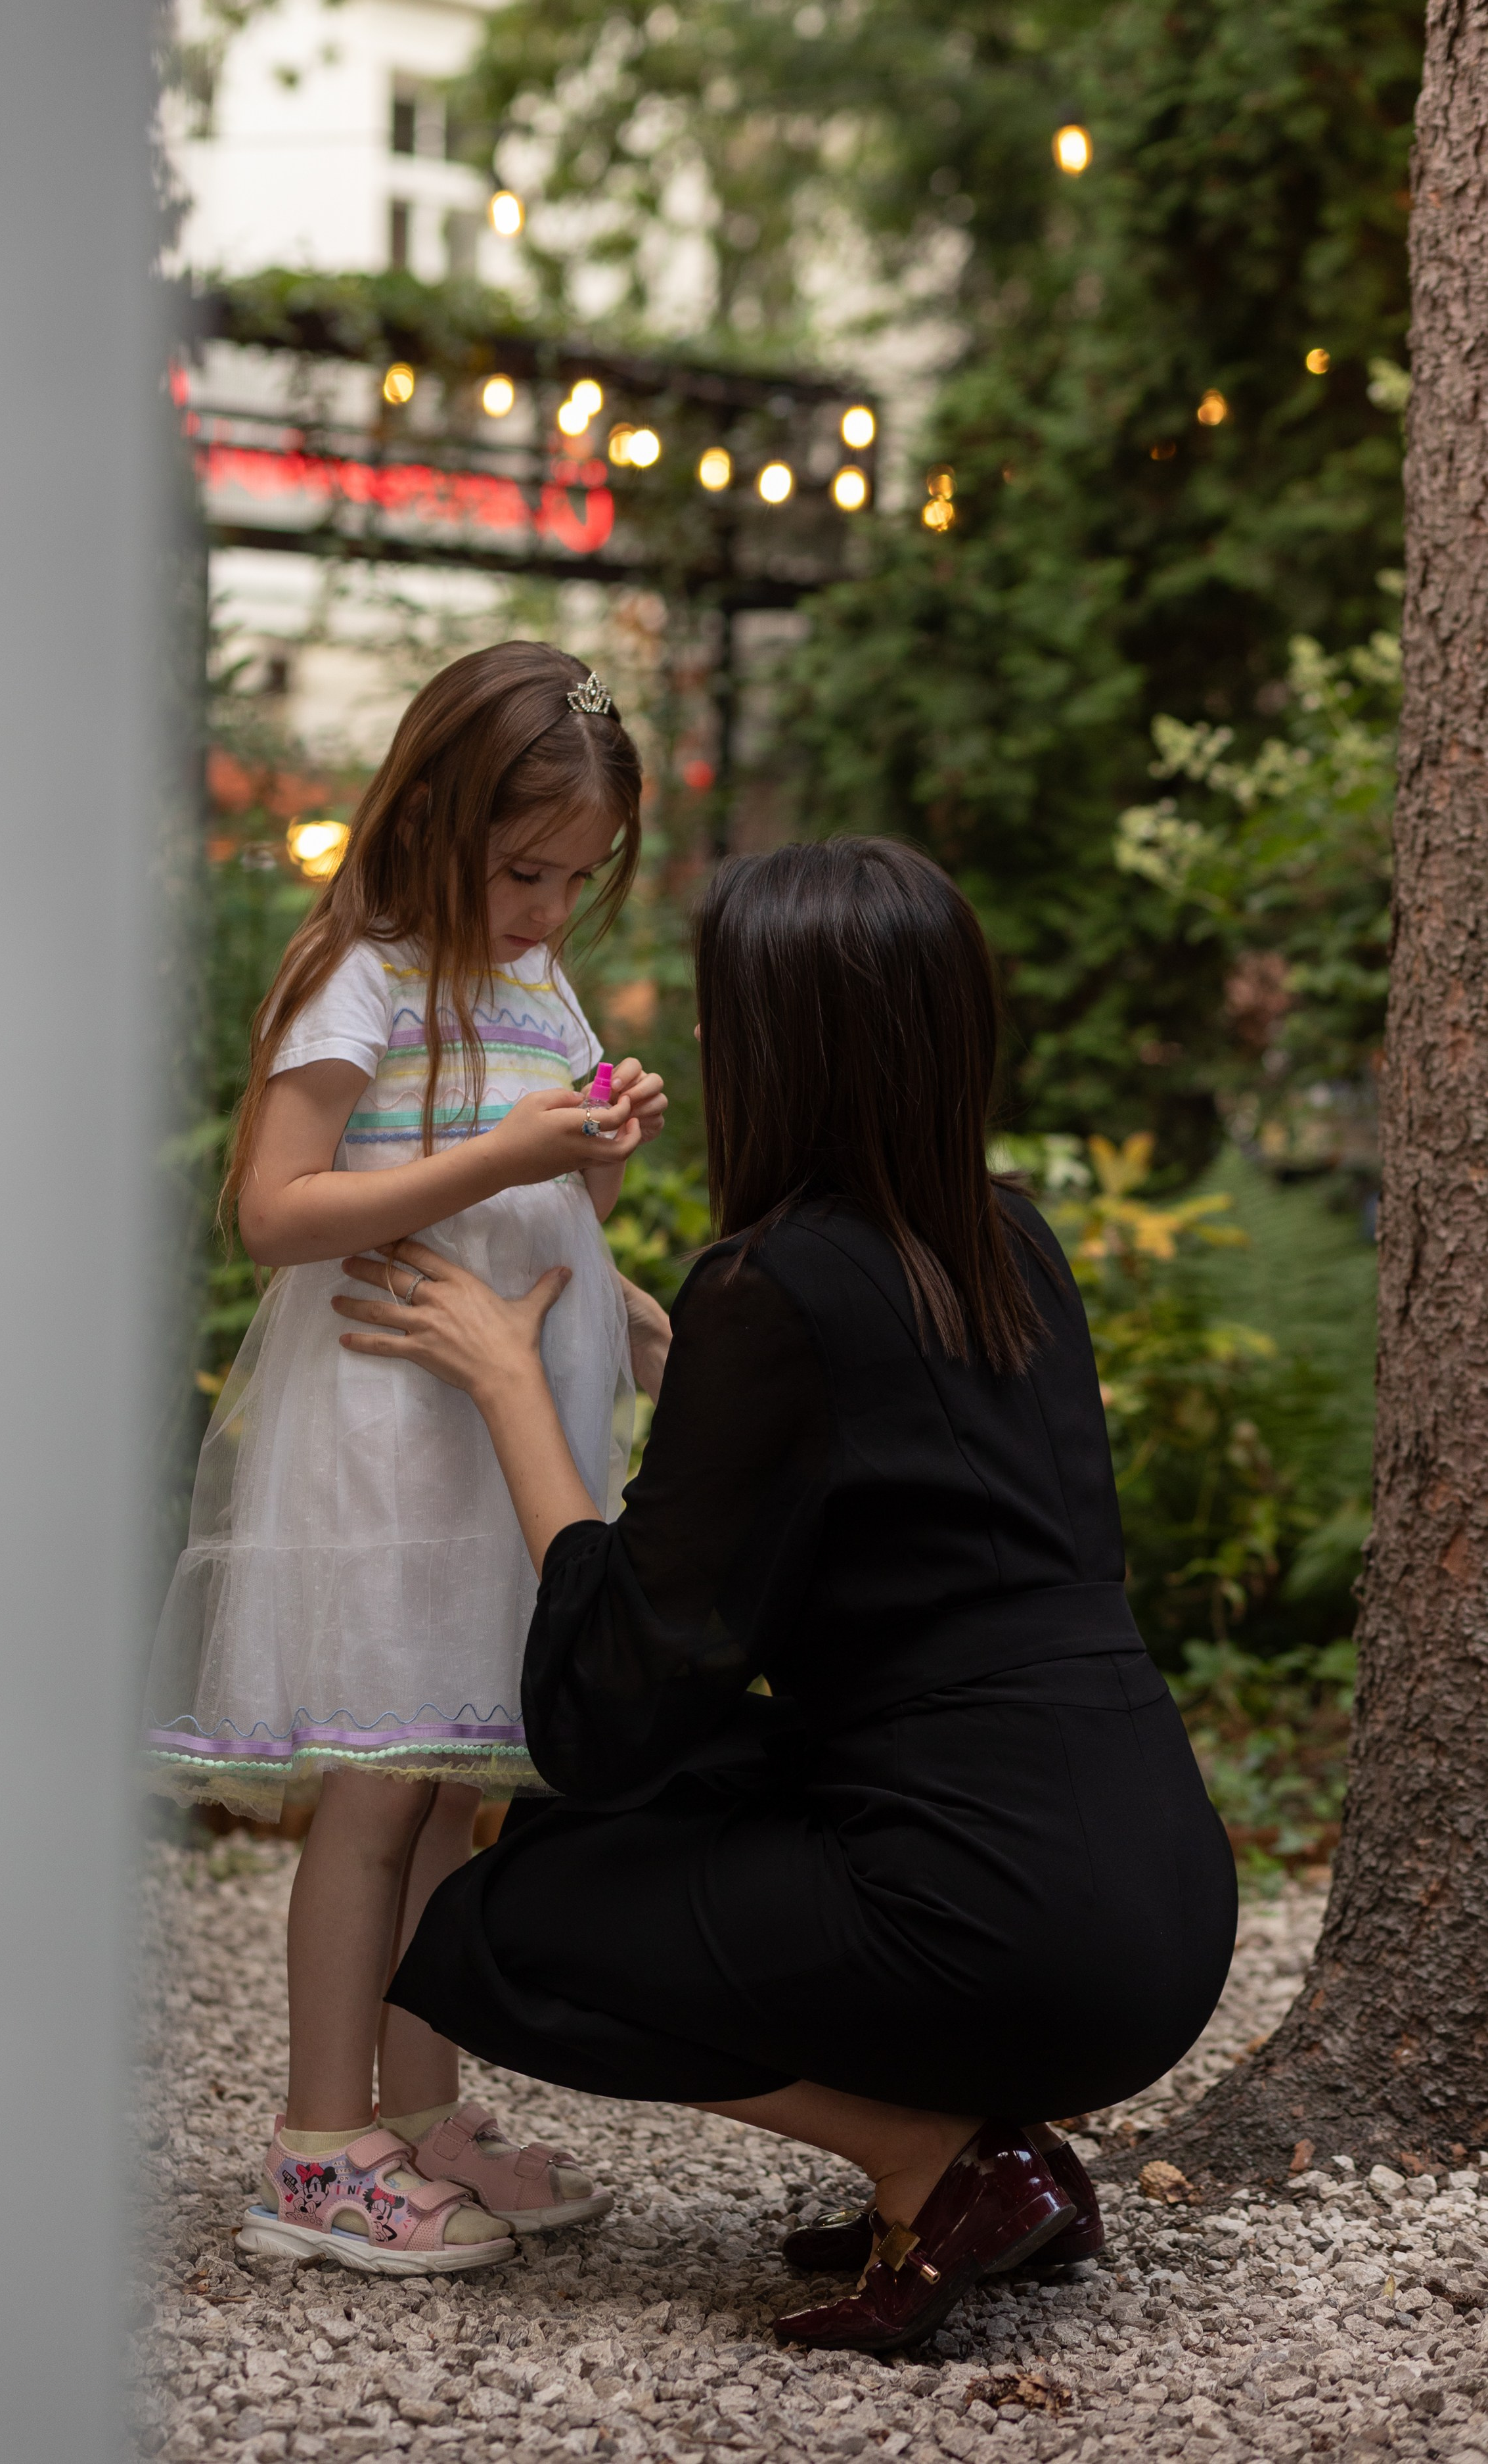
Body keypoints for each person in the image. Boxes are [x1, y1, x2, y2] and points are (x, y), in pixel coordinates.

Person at [331, 836, 1239, 2350]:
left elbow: (617, 1692)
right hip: (1152, 1899)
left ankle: (937, 2162)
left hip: (1002, 1919)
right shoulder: (1005, 1240)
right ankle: (1006, 2134)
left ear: (775, 1045)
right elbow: (917, 1509)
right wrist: (694, 1377)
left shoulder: (776, 1278)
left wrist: (509, 1388)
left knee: (511, 1917)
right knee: (656, 1809)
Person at [143, 642, 669, 2275]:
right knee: (374, 1786)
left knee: (448, 1775)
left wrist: (618, 1259)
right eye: (523, 870)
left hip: (498, 1431)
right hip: (390, 1437)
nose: (545, 909)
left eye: (576, 881)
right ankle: (315, 2144)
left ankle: (418, 2111)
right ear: (434, 816)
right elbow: (276, 1209)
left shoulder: (531, 982)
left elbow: (539, 1206)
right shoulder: (358, 971)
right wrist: (501, 1148)